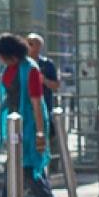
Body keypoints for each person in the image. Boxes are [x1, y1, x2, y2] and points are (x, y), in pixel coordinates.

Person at [0, 33, 62, 197]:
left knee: (22, 168)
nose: (1, 60)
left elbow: (36, 102)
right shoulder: (10, 69)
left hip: (27, 126)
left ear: (12, 55)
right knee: (23, 168)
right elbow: (8, 96)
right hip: (13, 123)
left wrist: (40, 132)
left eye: (2, 56)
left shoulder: (30, 69)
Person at [26, 32, 62, 171]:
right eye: (27, 43)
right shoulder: (22, 64)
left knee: (47, 138)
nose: (28, 46)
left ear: (39, 47)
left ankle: (50, 167)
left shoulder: (47, 64)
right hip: (27, 109)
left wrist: (43, 80)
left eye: (31, 44)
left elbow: (56, 85)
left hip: (44, 107)